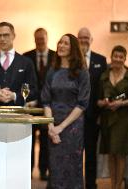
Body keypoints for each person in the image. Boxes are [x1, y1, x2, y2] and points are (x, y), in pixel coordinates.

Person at [41, 33, 90, 188]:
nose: (61, 46)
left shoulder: (82, 72)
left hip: (73, 126)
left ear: (73, 48)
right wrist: (51, 127)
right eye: (59, 42)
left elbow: (82, 104)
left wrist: (61, 127)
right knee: (55, 168)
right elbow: (46, 101)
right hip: (53, 125)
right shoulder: (52, 71)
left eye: (66, 43)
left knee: (72, 166)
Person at [97, 45, 128, 189]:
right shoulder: (104, 75)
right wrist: (103, 103)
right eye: (116, 56)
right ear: (111, 56)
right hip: (107, 118)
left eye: (121, 57)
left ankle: (118, 186)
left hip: (124, 119)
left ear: (125, 59)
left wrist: (121, 103)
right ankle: (112, 184)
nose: (118, 59)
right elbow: (97, 98)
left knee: (120, 153)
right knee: (110, 153)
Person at [0, 21, 38, 106]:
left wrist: (14, 96)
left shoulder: (26, 63)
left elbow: (34, 91)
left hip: (19, 115)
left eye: (6, 35)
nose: (2, 39)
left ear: (13, 36)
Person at [23, 27, 55, 180]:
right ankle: (27, 170)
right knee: (28, 139)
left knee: (44, 140)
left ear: (47, 38)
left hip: (48, 106)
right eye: (37, 39)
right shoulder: (26, 57)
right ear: (34, 39)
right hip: (30, 106)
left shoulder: (56, 57)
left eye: (42, 39)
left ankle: (43, 170)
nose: (40, 42)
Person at [77, 27, 107, 189]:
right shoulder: (71, 60)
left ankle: (90, 184)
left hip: (91, 116)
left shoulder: (100, 60)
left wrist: (100, 114)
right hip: (73, 117)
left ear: (91, 40)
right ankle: (74, 183)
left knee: (90, 154)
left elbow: (103, 88)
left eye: (86, 38)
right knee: (74, 153)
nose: (83, 41)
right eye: (81, 38)